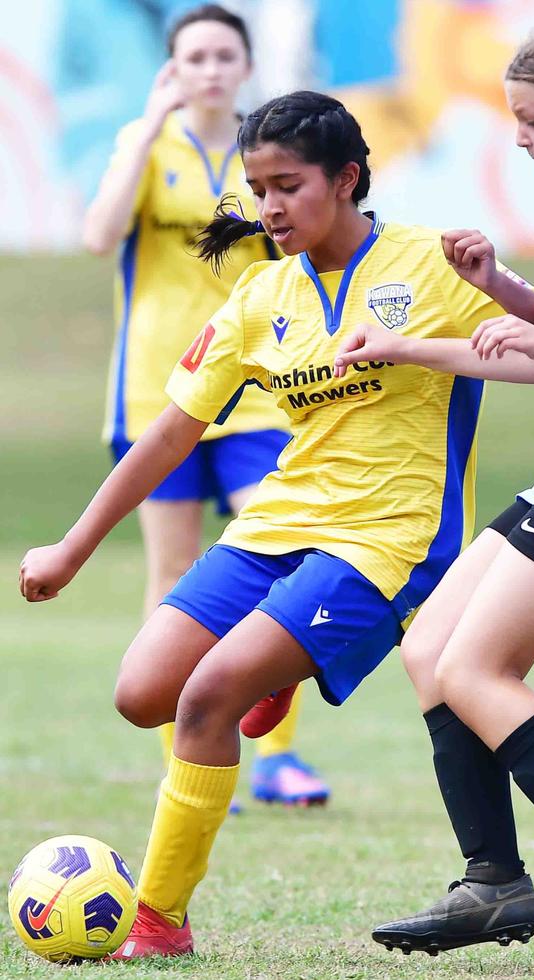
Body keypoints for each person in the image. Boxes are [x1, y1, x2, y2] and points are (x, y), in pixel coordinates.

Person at [19, 89, 534, 959]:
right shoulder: (261, 295)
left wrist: (501, 287)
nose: (269, 208)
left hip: (388, 538)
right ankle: (273, 665)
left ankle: (159, 924)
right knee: (141, 694)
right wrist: (73, 549)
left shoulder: (431, 265)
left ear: (346, 180)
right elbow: (169, 433)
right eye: (257, 188)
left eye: (288, 185)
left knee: (205, 696)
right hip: (277, 523)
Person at [333, 20, 534, 977]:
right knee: (428, 651)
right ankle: (494, 883)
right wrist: (498, 293)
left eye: (532, 119)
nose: (519, 137)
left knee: (476, 668)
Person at [82, 3, 328, 808]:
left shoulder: (268, 158)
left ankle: (278, 754)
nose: (211, 70)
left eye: (226, 55)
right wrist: (147, 127)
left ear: (247, 65)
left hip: (259, 392)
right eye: (194, 58)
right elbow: (99, 234)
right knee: (175, 574)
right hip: (159, 392)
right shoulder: (147, 147)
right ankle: (182, 750)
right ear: (172, 69)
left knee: (283, 553)